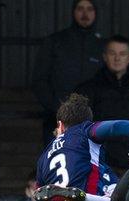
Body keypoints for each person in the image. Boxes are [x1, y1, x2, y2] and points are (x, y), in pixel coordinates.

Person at [76, 35, 129, 170]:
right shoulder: (89, 89)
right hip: (100, 164)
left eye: (122, 54)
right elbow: (80, 128)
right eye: (112, 53)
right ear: (105, 56)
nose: (117, 58)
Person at [32, 0, 104, 144]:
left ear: (95, 13)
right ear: (73, 12)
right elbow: (40, 80)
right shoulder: (55, 42)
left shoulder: (101, 46)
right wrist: (56, 109)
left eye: (89, 9)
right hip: (57, 119)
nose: (85, 14)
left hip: (93, 121)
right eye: (80, 9)